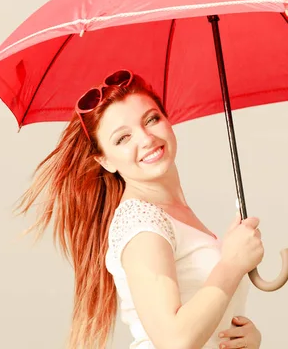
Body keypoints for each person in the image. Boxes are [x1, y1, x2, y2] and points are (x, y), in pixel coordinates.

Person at [16, 69, 265, 349]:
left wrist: (244, 337)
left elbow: (203, 315)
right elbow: (174, 341)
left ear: (168, 120)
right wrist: (231, 264)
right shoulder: (140, 223)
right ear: (105, 161)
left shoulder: (171, 212)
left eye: (152, 119)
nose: (146, 139)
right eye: (123, 138)